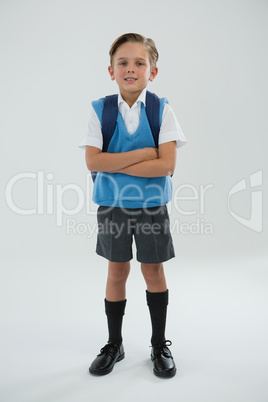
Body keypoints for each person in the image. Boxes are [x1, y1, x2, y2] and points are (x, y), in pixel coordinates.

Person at [79, 33, 187, 378]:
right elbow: (93, 162)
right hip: (112, 206)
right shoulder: (100, 110)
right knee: (116, 271)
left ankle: (159, 343)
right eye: (122, 62)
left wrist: (116, 161)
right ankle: (115, 344)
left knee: (153, 271)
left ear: (152, 71)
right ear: (111, 71)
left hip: (152, 206)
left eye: (140, 62)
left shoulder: (161, 109)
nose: (130, 69)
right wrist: (143, 154)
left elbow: (166, 166)